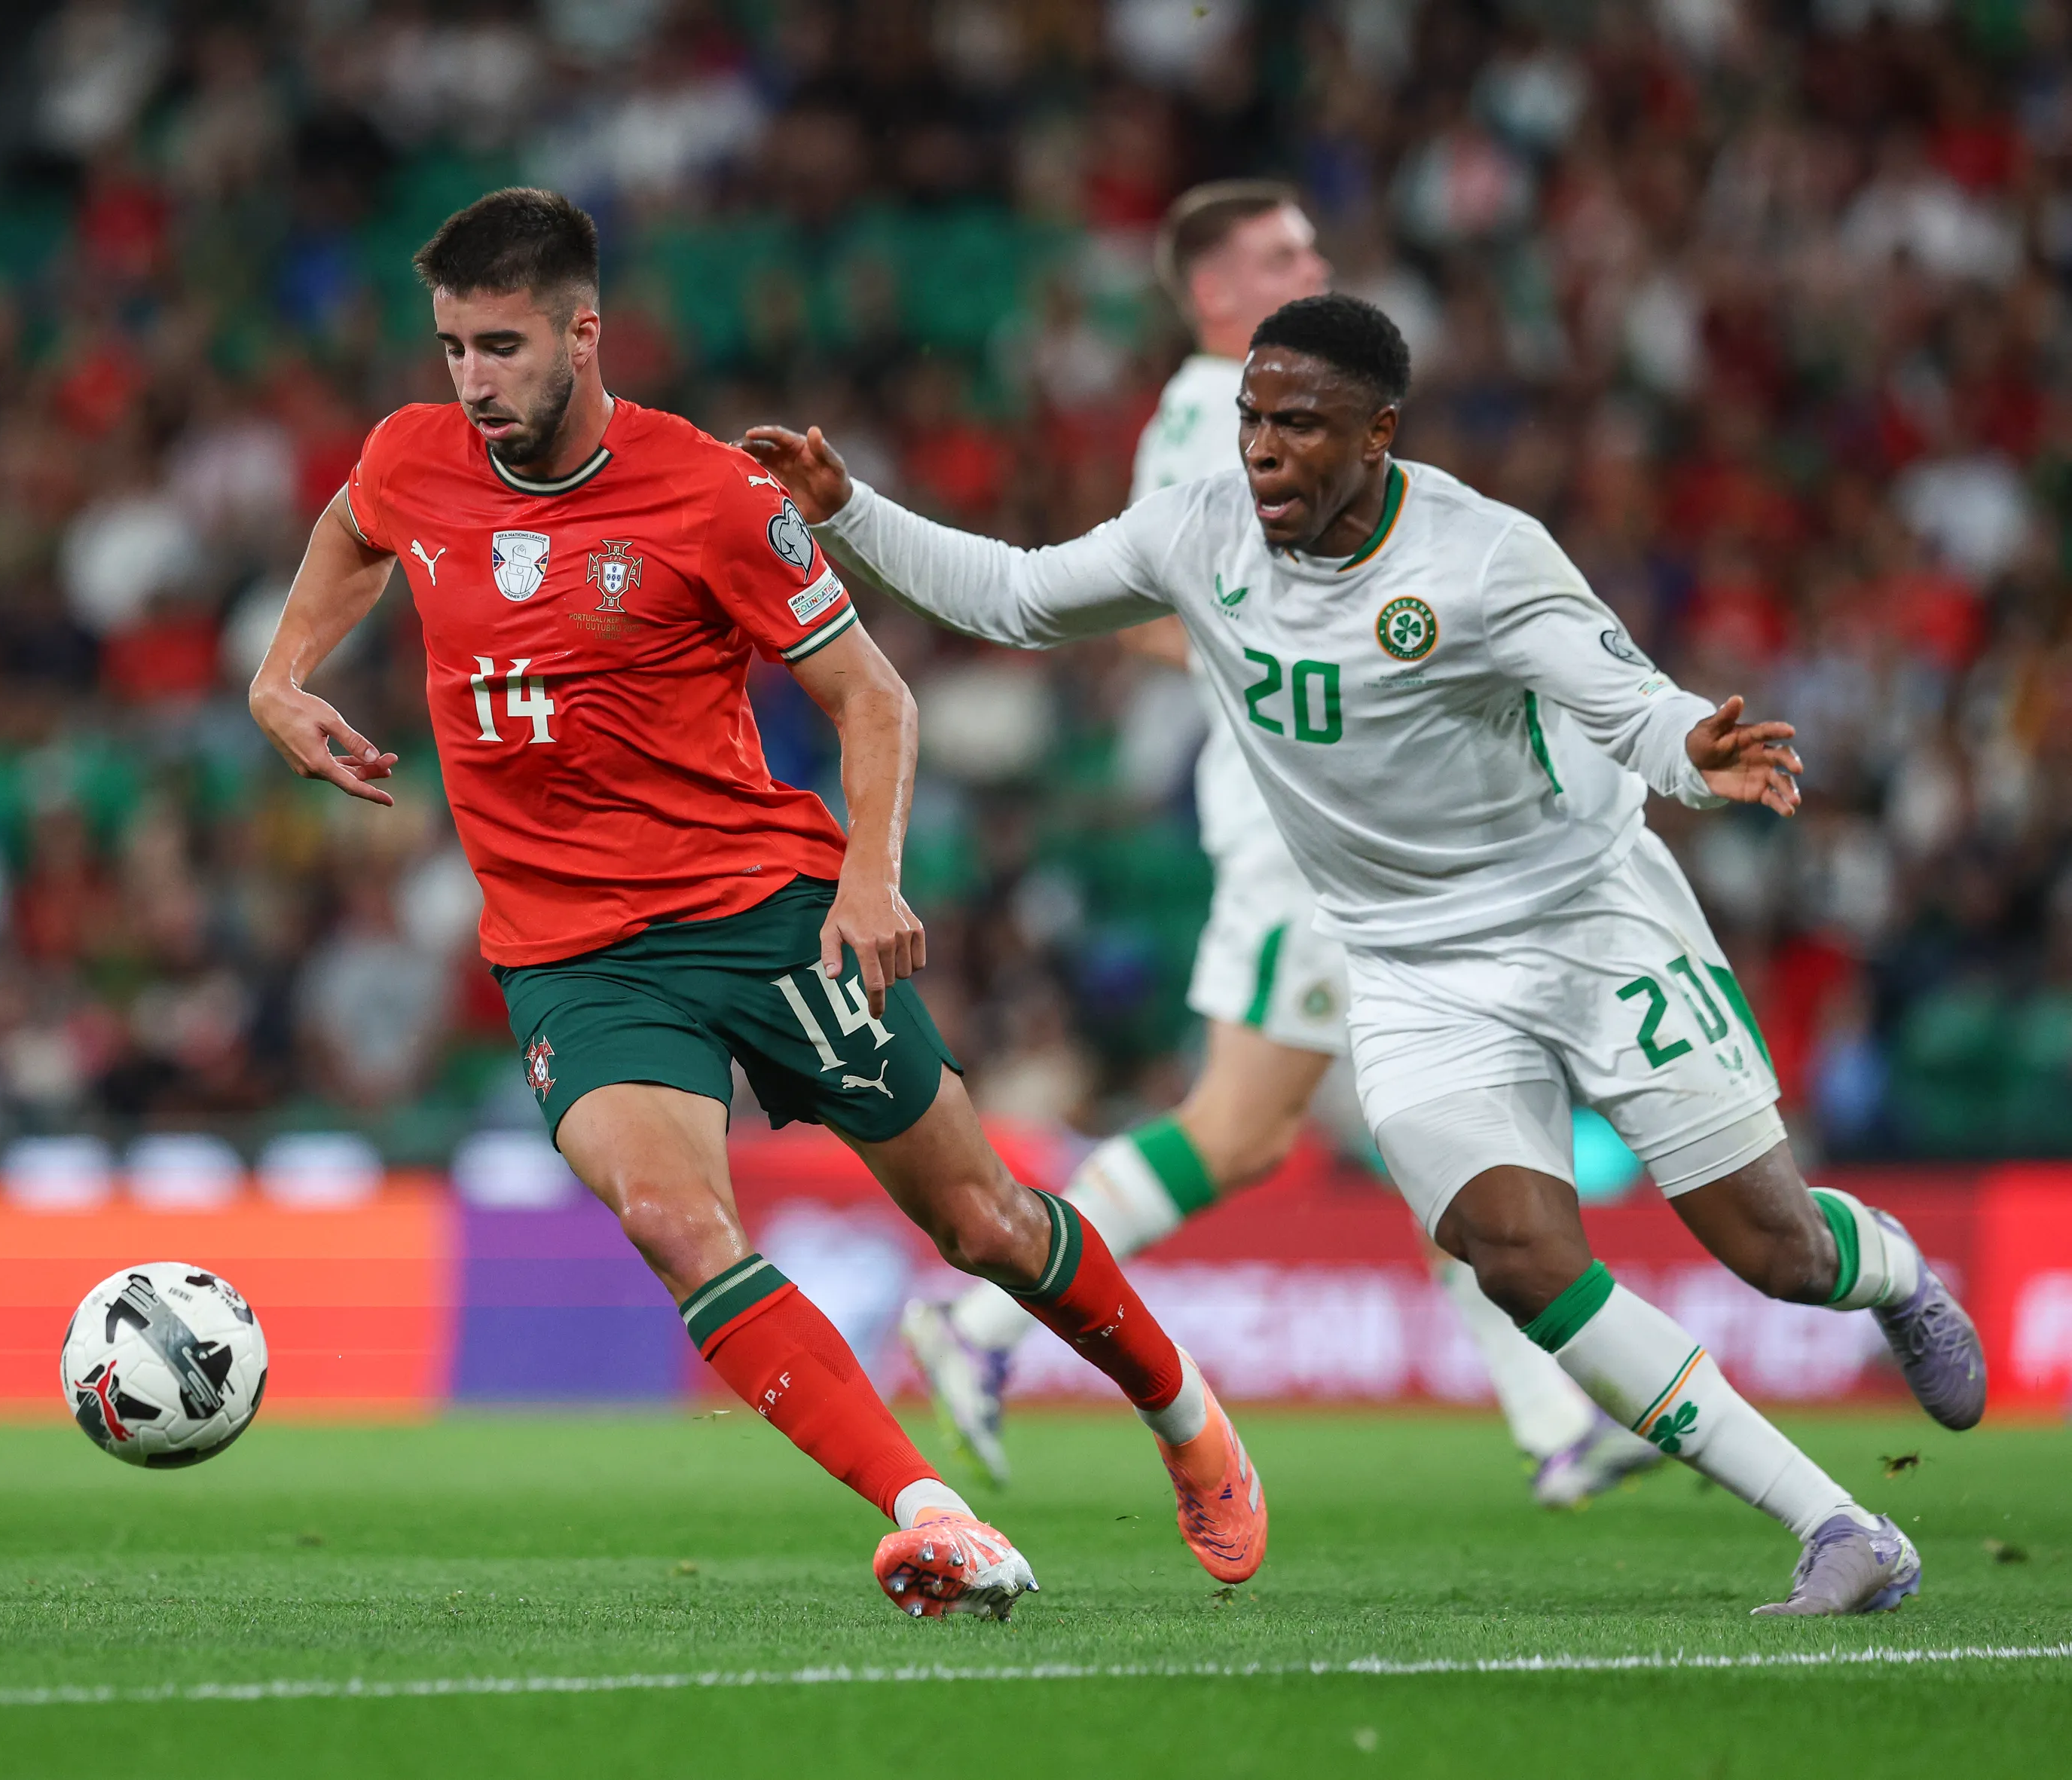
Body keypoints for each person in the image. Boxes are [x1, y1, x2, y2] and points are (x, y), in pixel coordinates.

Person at [744, 292, 1985, 1617]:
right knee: (1513, 1251)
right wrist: (846, 511)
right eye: (1250, 421)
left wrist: (1693, 749)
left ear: (1378, 433)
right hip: (1403, 963)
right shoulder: (1197, 528)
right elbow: (1015, 594)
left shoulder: (1484, 555)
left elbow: (1624, 699)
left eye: (1300, 424)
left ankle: (1898, 1270)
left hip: (1584, 915)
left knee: (1774, 1249)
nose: (1264, 449)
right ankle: (1837, 1526)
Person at [246, 188, 1265, 1620]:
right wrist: (281, 677)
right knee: (674, 1221)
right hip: (573, 956)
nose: (470, 383)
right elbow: (357, 531)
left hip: (760, 911)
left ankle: (1183, 1418)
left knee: (977, 1221)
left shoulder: (710, 494)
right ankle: (932, 1515)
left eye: (501, 347)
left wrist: (868, 878)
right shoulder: (415, 455)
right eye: (452, 349)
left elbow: (873, 697)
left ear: (583, 332)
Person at [903, 182, 1659, 1509]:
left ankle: (1555, 1416)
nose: (1312, 259)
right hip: (1302, 827)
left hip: (1341, 819)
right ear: (1210, 292)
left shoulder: (1236, 407)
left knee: (1433, 1117)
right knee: (1244, 1126)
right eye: (1279, 251)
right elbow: (1133, 607)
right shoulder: (1220, 415)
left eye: (1313, 241)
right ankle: (980, 1317)